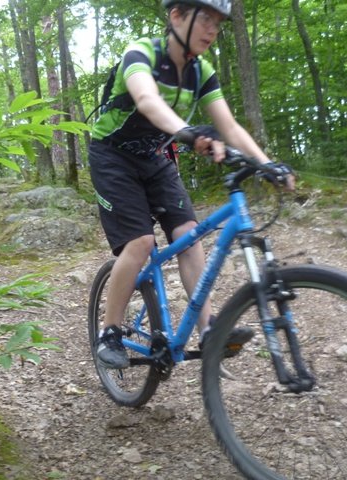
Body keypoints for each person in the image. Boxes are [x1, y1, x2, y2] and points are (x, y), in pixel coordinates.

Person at [88, 0, 295, 369]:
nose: (213, 30)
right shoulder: (141, 53)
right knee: (140, 243)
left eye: (218, 23)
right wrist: (186, 132)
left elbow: (229, 126)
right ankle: (111, 331)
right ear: (177, 16)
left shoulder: (201, 72)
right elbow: (147, 100)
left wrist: (267, 164)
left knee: (189, 234)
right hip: (113, 156)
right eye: (205, 19)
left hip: (155, 158)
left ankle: (209, 328)